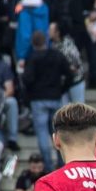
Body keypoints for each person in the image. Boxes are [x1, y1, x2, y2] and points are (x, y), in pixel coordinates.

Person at [22, 30, 72, 171]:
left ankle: (49, 167)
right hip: (55, 97)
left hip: (38, 99)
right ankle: (62, 164)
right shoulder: (57, 55)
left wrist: (29, 93)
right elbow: (69, 74)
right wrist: (61, 89)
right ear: (46, 41)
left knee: (42, 133)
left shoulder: (32, 57)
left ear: (33, 43)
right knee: (57, 132)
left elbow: (27, 79)